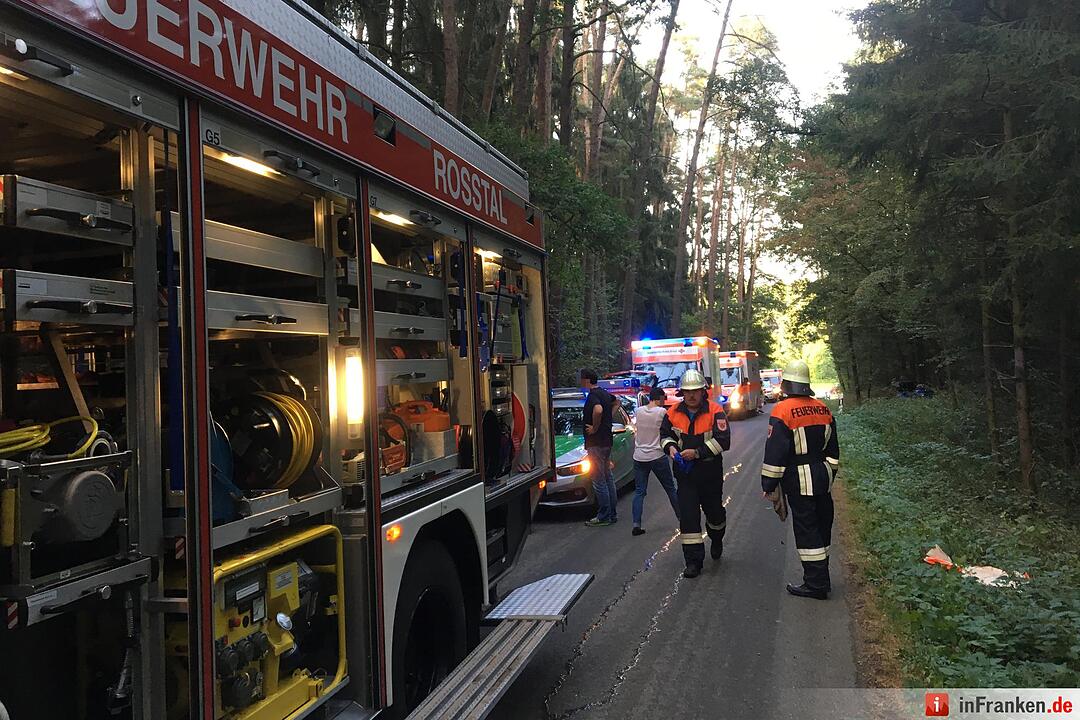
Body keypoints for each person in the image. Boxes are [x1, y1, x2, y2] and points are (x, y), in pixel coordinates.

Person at [760, 359, 840, 599]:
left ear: (786, 385)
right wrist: (829, 473)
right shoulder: (823, 409)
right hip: (822, 477)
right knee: (823, 525)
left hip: (799, 480)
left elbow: (776, 453)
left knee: (807, 531)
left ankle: (815, 585)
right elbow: (833, 451)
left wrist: (769, 483)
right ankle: (820, 577)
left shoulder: (783, 411)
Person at [660, 369, 731, 578]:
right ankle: (693, 562)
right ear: (682, 392)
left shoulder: (716, 411)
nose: (691, 395)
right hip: (685, 475)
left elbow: (724, 441)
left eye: (696, 391)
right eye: (688, 391)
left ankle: (716, 538)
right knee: (689, 518)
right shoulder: (672, 412)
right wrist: (671, 448)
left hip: (709, 473)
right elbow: (664, 435)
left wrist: (697, 453)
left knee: (715, 514)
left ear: (703, 391)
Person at [631, 386, 680, 536]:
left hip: (639, 456)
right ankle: (682, 519)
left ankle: (636, 524)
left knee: (639, 491)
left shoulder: (638, 411)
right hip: (657, 455)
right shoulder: (662, 412)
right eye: (663, 399)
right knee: (670, 489)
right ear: (659, 398)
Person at [580, 368, 617, 527]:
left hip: (596, 443)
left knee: (599, 480)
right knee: (608, 477)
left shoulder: (593, 396)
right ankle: (612, 513)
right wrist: (608, 419)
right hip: (607, 441)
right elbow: (617, 402)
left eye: (582, 379)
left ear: (587, 380)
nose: (581, 381)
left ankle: (604, 516)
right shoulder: (604, 393)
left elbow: (598, 410)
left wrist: (595, 427)